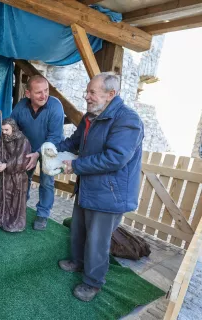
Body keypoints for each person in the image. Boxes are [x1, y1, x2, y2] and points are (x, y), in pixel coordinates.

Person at [56, 72, 144, 302]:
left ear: (111, 94)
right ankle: (77, 262)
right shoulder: (91, 116)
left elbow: (115, 158)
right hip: (88, 187)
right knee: (79, 229)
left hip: (110, 193)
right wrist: (49, 149)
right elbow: (73, 142)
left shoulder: (128, 120)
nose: (87, 96)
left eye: (92, 92)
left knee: (97, 240)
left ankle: (93, 283)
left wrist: (76, 165)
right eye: (87, 91)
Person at [11, 75, 64, 231]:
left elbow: (54, 137)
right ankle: (21, 207)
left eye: (46, 90)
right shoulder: (21, 107)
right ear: (28, 94)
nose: (44, 95)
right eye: (38, 92)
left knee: (47, 181)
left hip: (50, 150)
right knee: (24, 179)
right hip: (28, 150)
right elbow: (12, 127)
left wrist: (37, 155)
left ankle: (43, 213)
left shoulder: (55, 106)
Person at [0, 118, 31, 232]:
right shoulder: (1, 139)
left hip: (17, 176)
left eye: (6, 130)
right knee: (3, 195)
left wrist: (7, 165)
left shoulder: (23, 140)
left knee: (15, 198)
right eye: (2, 130)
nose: (4, 132)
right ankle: (1, 217)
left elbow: (21, 158)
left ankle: (15, 221)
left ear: (13, 128)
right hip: (5, 176)